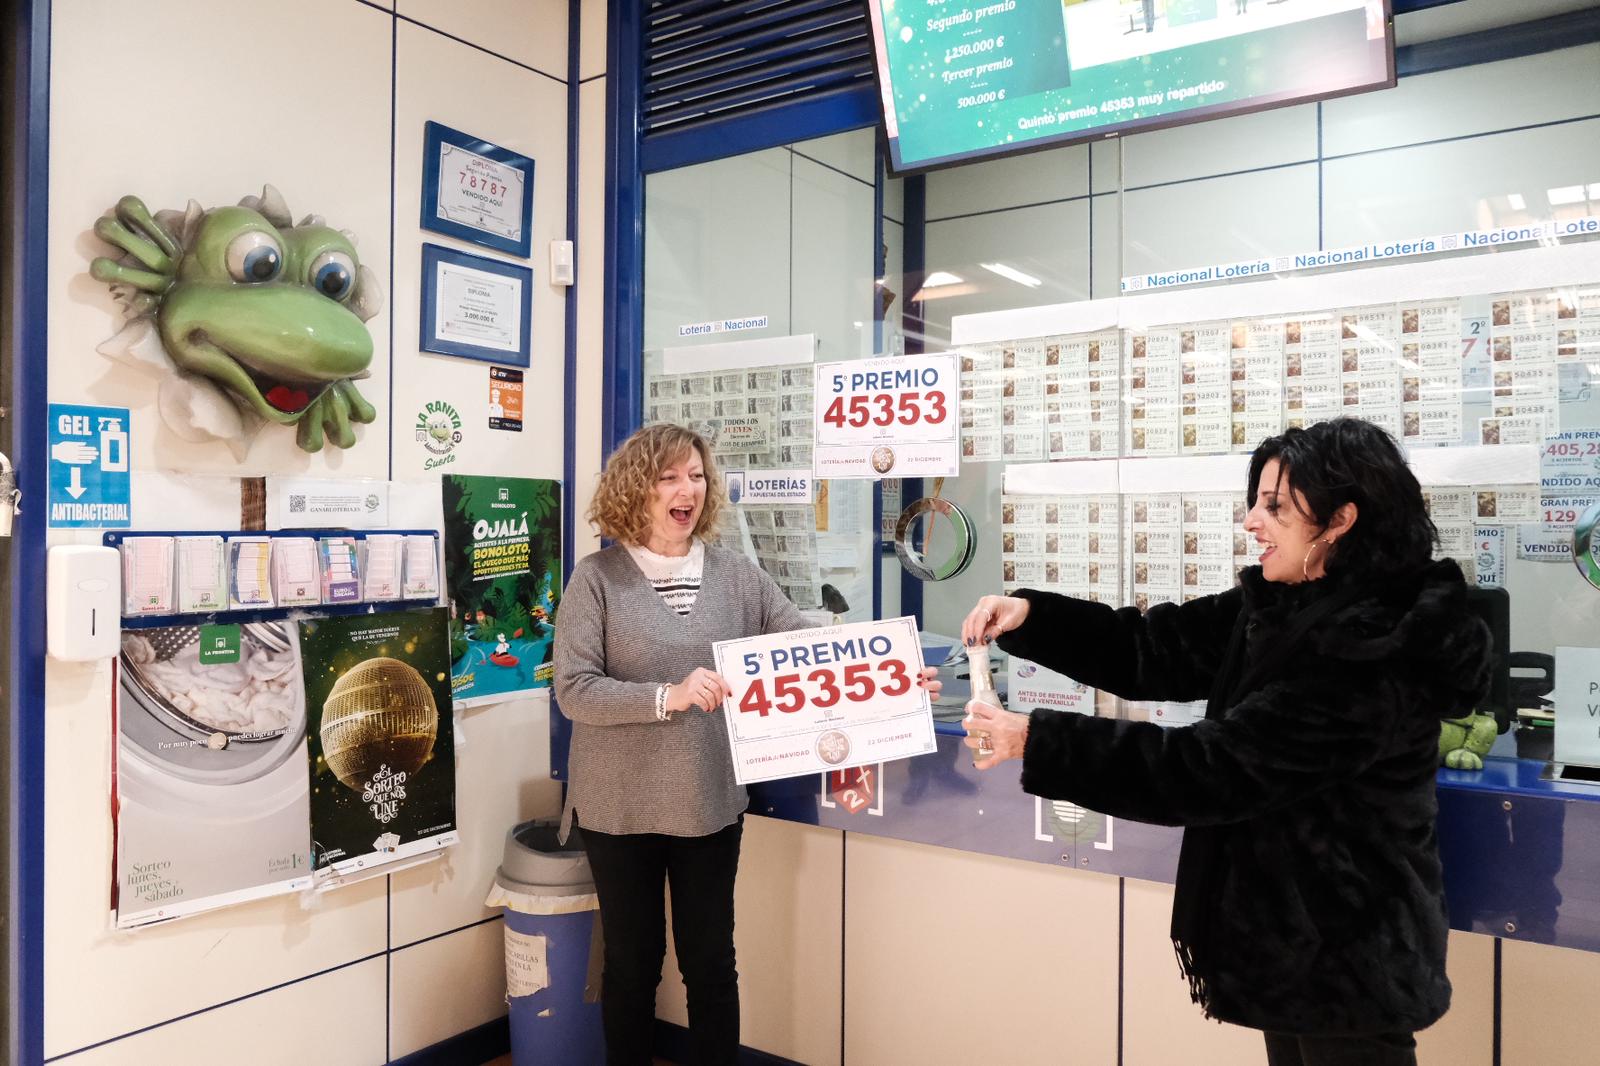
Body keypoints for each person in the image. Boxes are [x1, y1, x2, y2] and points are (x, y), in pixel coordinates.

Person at [959, 418, 1490, 1066]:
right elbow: (1152, 649)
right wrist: (1032, 618)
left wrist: (1037, 740)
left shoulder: (1376, 649)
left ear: (1340, 519)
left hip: (1351, 953)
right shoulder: (1284, 604)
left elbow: (1212, 768)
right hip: (1295, 944)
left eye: (1274, 506)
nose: (1251, 522)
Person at [556, 423, 934, 1065]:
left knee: (709, 964)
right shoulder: (596, 579)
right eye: (670, 476)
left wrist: (891, 676)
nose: (689, 490)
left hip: (708, 799)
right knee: (631, 964)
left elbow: (807, 651)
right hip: (617, 807)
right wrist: (666, 696)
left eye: (697, 476)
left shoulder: (737, 575)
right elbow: (574, 689)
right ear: (636, 489)